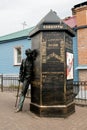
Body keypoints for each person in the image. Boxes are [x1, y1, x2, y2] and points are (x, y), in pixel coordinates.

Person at [15, 48, 35, 112]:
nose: (29, 55)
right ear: (26, 54)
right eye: (28, 54)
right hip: (26, 79)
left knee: (35, 93)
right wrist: (20, 77)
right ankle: (19, 107)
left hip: (33, 79)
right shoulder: (23, 61)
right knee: (23, 92)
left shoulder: (34, 60)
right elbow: (21, 70)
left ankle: (35, 107)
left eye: (30, 54)